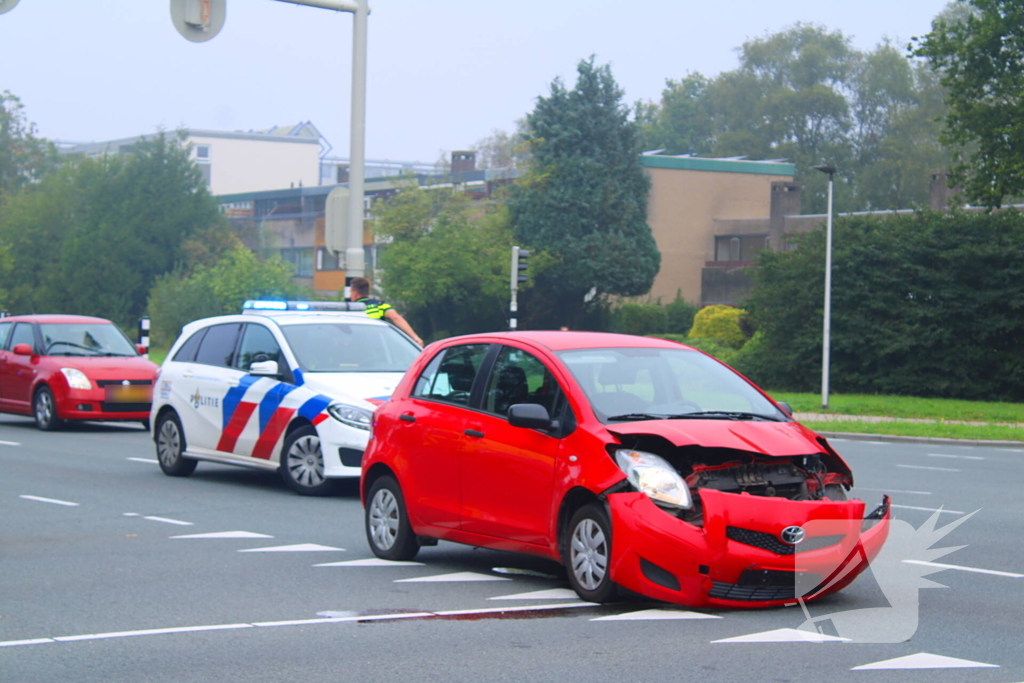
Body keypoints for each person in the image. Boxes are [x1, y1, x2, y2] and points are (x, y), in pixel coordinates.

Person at [348, 277, 424, 346]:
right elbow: (396, 318)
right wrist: (415, 337)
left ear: (355, 294)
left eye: (350, 293)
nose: (349, 296)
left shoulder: (349, 310)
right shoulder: (380, 305)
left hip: (355, 346)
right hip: (378, 346)